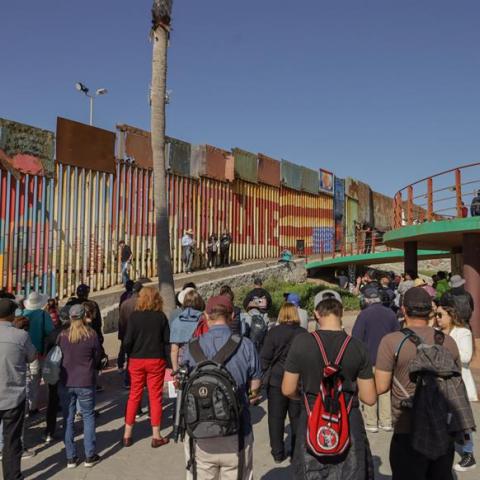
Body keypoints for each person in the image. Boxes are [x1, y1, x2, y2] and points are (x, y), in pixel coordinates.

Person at [282, 293, 377, 479]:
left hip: (312, 417)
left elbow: (287, 389)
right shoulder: (358, 346)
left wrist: (302, 397)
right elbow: (369, 398)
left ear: (316, 313)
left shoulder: (302, 343)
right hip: (348, 420)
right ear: (341, 312)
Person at [375, 287, 461, 480]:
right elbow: (456, 382)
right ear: (431, 310)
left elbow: (380, 386)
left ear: (404, 310)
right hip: (442, 429)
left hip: (407, 427)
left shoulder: (392, 341)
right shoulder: (448, 342)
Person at [182, 295, 262, 480]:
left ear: (205, 315)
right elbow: (255, 386)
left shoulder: (191, 347)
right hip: (237, 431)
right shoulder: (246, 345)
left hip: (198, 433)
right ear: (232, 315)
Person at [122, 287, 170, 448]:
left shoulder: (134, 317)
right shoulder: (161, 317)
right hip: (156, 359)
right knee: (155, 396)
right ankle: (156, 435)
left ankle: (127, 434)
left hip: (136, 359)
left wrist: (128, 354)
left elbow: (127, 341)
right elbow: (166, 341)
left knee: (134, 395)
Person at [58, 304, 102, 469]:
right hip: (85, 380)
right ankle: (89, 455)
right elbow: (97, 356)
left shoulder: (63, 335)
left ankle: (70, 457)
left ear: (70, 317)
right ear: (84, 316)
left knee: (67, 418)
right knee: (88, 416)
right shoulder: (91, 334)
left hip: (66, 381)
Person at [435, 300, 477, 471]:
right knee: (442, 419)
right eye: (435, 314)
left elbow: (466, 357)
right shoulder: (435, 332)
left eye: (440, 315)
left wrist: (445, 348)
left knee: (462, 420)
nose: (437, 318)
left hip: (459, 383)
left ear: (451, 315)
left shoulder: (463, 332)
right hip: (438, 385)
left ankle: (468, 454)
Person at [261, 303, 305, 463]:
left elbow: (265, 357)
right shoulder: (303, 333)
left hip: (277, 380)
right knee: (297, 417)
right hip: (297, 380)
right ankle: (296, 452)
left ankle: (277, 453)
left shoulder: (273, 332)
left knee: (276, 418)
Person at [352, 284, 399, 433]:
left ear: (367, 300)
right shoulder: (391, 314)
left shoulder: (364, 315)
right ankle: (386, 421)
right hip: (386, 359)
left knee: (369, 389)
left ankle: (372, 422)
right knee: (384, 390)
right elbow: (397, 335)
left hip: (368, 358)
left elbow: (356, 338)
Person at [0, 299, 37, 480]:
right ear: (12, 315)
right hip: (13, 396)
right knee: (11, 441)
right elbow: (32, 357)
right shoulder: (20, 336)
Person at [22, 291, 54, 415]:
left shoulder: (23, 315)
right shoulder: (43, 315)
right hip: (40, 352)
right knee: (40, 378)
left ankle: (28, 407)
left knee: (29, 379)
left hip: (24, 352)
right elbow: (50, 331)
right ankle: (37, 406)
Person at [43, 306, 70, 443]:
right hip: (68, 372)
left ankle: (49, 430)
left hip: (54, 371)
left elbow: (46, 351)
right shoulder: (74, 333)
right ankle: (68, 429)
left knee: (52, 402)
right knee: (68, 402)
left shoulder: (53, 333)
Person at [170, 290, 205, 373]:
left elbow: (174, 350)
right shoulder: (204, 320)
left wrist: (175, 370)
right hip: (201, 361)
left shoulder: (177, 321)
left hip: (183, 364)